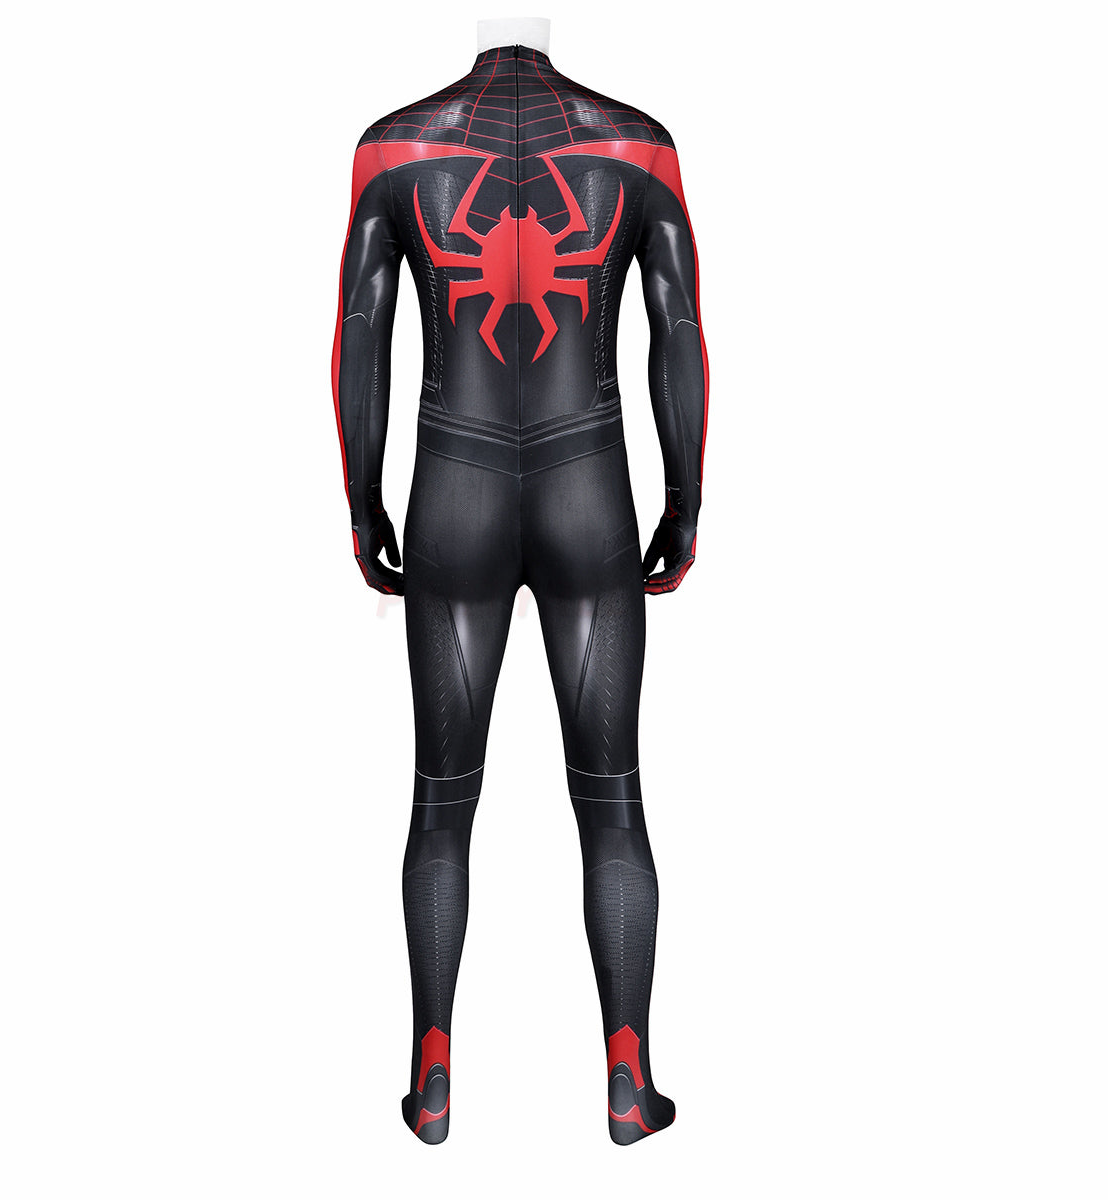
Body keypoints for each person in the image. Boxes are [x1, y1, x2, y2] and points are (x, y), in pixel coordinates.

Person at [331, 24, 708, 1143]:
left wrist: (363, 506)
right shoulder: (638, 147)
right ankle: (628, 1081)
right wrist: (686, 502)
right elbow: (680, 332)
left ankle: (432, 1078)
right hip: (591, 488)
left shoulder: (393, 149)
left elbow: (359, 339)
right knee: (614, 802)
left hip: (453, 490)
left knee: (439, 804)